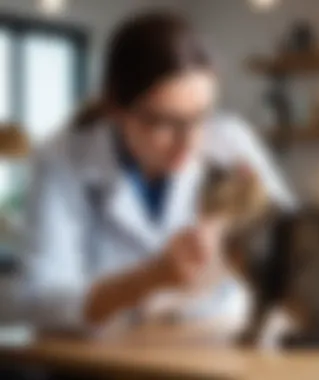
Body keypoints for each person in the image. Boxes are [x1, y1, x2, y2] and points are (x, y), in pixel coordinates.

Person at [10, 11, 297, 334]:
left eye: (201, 116)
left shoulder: (230, 140)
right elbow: (37, 301)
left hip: (212, 341)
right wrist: (147, 279)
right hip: (104, 358)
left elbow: (297, 247)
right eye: (164, 122)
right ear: (115, 109)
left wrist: (236, 237)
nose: (189, 142)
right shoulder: (62, 159)